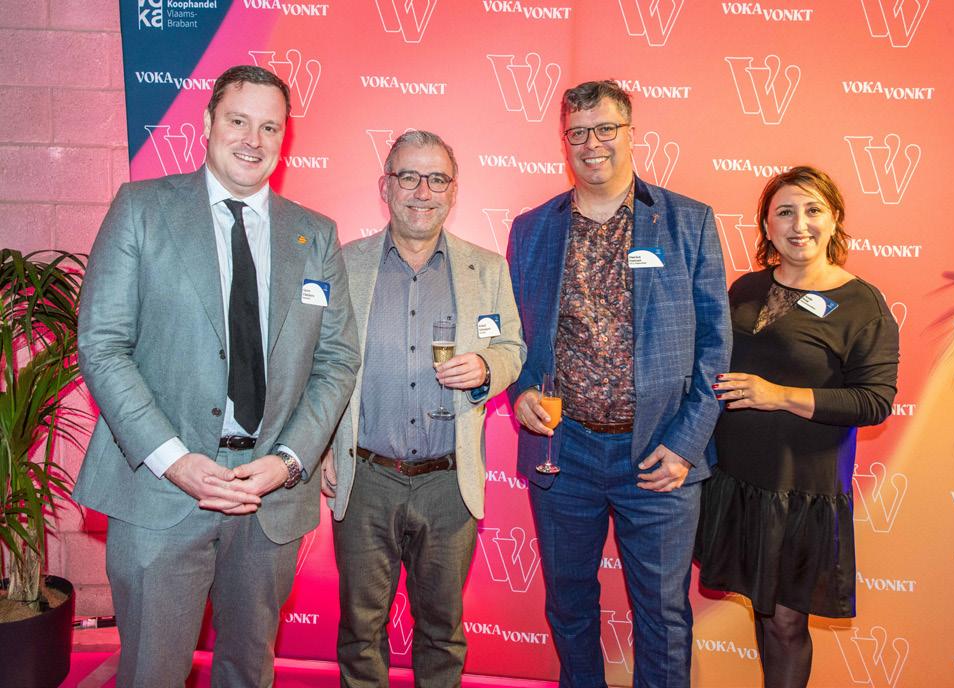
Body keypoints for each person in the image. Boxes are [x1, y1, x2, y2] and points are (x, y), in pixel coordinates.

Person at [73, 65, 361, 686]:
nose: (252, 140)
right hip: (160, 493)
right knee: (151, 672)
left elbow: (337, 360)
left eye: (269, 127)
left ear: (284, 138)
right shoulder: (142, 209)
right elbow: (102, 345)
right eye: (238, 121)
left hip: (269, 498)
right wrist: (174, 459)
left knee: (248, 671)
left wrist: (289, 461)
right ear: (207, 122)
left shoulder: (315, 235)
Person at [506, 80, 731, 687]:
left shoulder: (689, 221)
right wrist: (521, 391)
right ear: (564, 141)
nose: (592, 143)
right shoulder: (532, 229)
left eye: (606, 129)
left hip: (660, 452)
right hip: (564, 451)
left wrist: (686, 445)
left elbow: (716, 347)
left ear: (632, 134)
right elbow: (513, 336)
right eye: (578, 132)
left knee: (662, 614)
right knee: (569, 604)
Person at [321, 130, 525, 687]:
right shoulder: (345, 265)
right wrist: (325, 446)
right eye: (408, 176)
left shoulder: (487, 269)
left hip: (448, 484)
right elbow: (319, 362)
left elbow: (512, 348)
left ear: (453, 191)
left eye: (436, 179)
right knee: (360, 631)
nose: (422, 191)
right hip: (366, 479)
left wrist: (486, 367)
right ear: (385, 186)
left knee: (441, 630)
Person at [696, 166, 899, 688]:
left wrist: (778, 395)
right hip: (738, 481)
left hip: (801, 491)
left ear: (835, 219)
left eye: (813, 210)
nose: (799, 224)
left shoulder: (863, 304)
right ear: (766, 225)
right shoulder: (746, 288)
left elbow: (875, 401)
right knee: (764, 612)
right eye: (784, 212)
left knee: (786, 622)